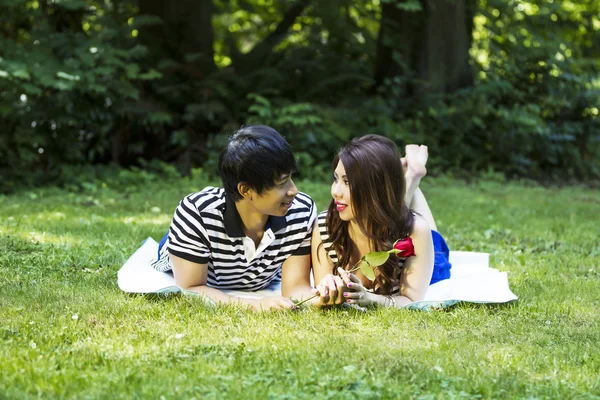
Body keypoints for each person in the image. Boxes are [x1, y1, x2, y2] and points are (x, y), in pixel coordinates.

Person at [151, 125, 317, 311]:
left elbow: (296, 288)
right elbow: (190, 288)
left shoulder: (300, 211)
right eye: (282, 183)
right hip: (197, 233)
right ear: (246, 190)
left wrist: (323, 298)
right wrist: (254, 305)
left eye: (291, 178)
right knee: (190, 232)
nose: (293, 190)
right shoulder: (197, 213)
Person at [311, 135, 452, 308]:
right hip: (388, 216)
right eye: (336, 179)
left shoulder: (416, 231)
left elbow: (412, 301)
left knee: (430, 241)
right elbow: (324, 294)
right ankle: (407, 179)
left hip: (422, 252)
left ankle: (412, 179)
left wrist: (369, 299)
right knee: (391, 213)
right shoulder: (326, 227)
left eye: (347, 182)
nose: (335, 192)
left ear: (375, 188)